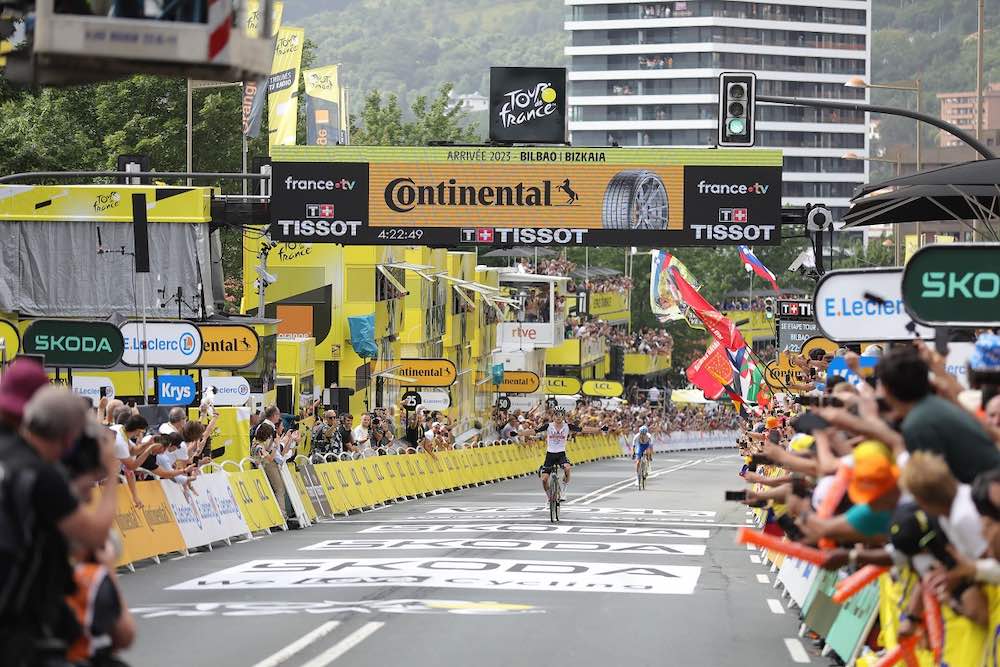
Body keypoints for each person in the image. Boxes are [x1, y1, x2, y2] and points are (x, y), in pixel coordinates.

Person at [0, 387, 119, 666]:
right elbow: (93, 534)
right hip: (16, 623)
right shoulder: (40, 475)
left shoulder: (9, 453)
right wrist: (111, 472)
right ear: (69, 436)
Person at [534, 408, 600, 501]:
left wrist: (599, 429)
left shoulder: (567, 426)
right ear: (553, 416)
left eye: (560, 415)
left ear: (563, 416)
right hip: (550, 455)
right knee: (544, 480)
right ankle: (550, 497)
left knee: (567, 468)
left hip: (561, 454)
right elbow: (534, 431)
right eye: (556, 414)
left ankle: (563, 492)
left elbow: (583, 430)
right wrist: (518, 433)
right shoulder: (548, 426)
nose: (558, 417)